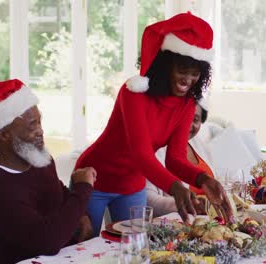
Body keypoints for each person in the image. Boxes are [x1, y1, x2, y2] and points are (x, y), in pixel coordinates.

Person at [75, 12, 233, 236]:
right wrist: (176, 187)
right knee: (85, 246)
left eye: (195, 73)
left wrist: (204, 179)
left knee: (137, 249)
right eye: (182, 71)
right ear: (165, 65)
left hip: (132, 185)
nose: (188, 80)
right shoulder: (134, 93)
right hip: (95, 179)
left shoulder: (187, 104)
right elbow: (141, 155)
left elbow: (175, 159)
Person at [0, 79, 96, 264]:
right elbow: (48, 241)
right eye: (32, 125)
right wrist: (83, 188)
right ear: (4, 134)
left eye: (40, 122)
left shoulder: (40, 159)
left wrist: (82, 215)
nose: (41, 131)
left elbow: (57, 189)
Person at [147, 102, 213, 216]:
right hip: (180, 226)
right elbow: (148, 200)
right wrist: (188, 205)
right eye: (182, 117)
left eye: (195, 119)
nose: (187, 125)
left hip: (210, 223)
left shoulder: (199, 145)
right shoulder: (154, 149)